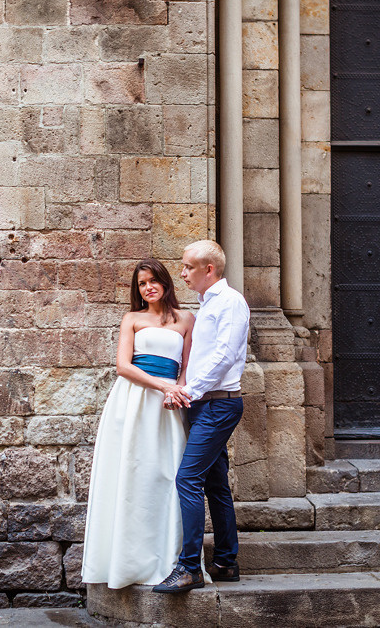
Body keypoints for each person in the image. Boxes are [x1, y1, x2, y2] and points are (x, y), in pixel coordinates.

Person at [81, 258, 195, 589]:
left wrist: (178, 390)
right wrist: (163, 386)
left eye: (154, 280)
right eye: (142, 283)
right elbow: (123, 366)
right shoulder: (131, 319)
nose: (148, 287)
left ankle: (168, 558)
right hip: (132, 402)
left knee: (165, 474)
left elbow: (187, 365)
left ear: (166, 282)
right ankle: (124, 562)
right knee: (131, 472)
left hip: (169, 405)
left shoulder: (186, 319)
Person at [153, 239, 250, 594]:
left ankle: (190, 567)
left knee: (187, 479)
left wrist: (187, 391)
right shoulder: (206, 305)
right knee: (214, 483)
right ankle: (226, 561)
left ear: (209, 269)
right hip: (203, 404)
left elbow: (224, 356)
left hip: (218, 404)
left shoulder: (231, 303)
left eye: (188, 266)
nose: (181, 273)